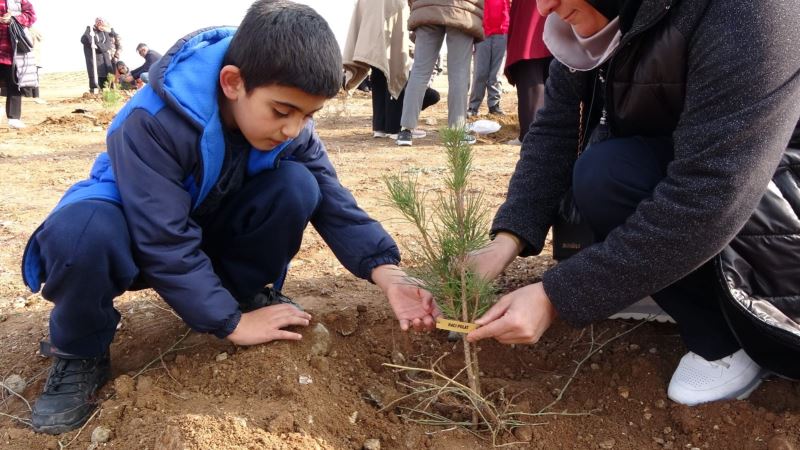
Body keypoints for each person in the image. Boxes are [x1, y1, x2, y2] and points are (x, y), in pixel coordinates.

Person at [22, 0, 437, 434]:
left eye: (307, 115)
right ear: (233, 82)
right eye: (282, 112)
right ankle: (79, 349)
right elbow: (163, 236)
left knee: (299, 186)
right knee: (80, 233)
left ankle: (237, 293)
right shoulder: (153, 120)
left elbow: (333, 201)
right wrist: (229, 325)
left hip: (202, 232)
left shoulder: (289, 128)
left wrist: (387, 271)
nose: (293, 129)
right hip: (134, 237)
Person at [465, 0, 800, 406]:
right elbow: (555, 130)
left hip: (774, 186)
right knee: (606, 172)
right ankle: (694, 297)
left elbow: (714, 189)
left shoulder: (750, 11)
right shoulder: (596, 24)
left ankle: (728, 341)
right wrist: (508, 237)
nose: (544, 7)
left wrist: (558, 296)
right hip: (703, 172)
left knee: (611, 172)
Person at [342, 0, 439, 140]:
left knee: (378, 65)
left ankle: (380, 127)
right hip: (394, 7)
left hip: (370, 7)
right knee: (396, 67)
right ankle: (394, 128)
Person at [395, 0, 484, 146]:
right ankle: (456, 132)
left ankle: (405, 131)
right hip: (462, 10)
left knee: (420, 71)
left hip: (427, 7)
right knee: (459, 73)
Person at [503, 0, 552, 146]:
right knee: (550, 70)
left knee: (530, 71)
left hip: (533, 12)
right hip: (554, 13)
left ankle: (530, 134)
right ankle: (537, 133)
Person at [467, 0, 509, 117]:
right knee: (480, 72)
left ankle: (494, 105)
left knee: (496, 73)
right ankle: (473, 106)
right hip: (482, 31)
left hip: (502, 31)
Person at [0, 0, 36, 129]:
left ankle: (13, 118)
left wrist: (14, 18)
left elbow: (31, 16)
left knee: (14, 83)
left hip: (12, 50)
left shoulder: (20, 1)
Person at [80, 18, 121, 93]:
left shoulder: (105, 32)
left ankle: (109, 88)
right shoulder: (90, 29)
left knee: (108, 71)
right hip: (94, 56)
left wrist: (98, 46)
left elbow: (108, 44)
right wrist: (92, 43)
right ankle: (95, 88)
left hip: (104, 55)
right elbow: (84, 39)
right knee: (95, 71)